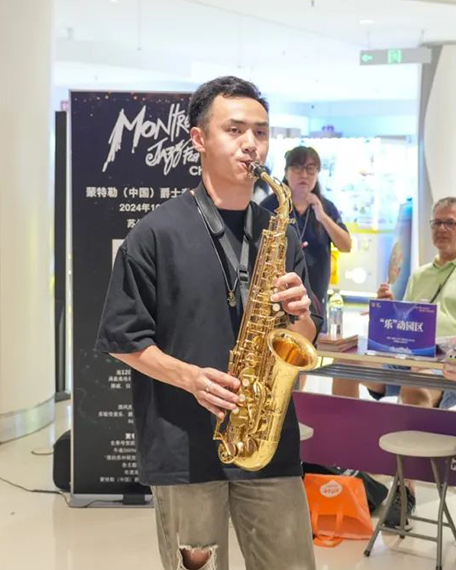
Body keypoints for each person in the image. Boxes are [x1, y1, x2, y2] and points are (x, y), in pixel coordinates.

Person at [95, 76, 322, 570]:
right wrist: (191, 378)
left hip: (267, 443)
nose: (251, 144)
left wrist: (302, 315)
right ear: (199, 138)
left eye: (261, 132)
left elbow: (304, 338)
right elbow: (123, 339)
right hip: (185, 447)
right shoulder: (154, 233)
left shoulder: (279, 232)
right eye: (235, 130)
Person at [362, 197, 456, 409]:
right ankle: (339, 427)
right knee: (348, 365)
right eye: (436, 223)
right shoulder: (419, 275)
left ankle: (415, 429)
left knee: (415, 385)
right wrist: (389, 308)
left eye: (450, 223)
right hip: (412, 355)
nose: (442, 228)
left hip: (451, 360)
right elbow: (405, 326)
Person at [260, 145, 351, 310]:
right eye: (297, 167)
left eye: (310, 169)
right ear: (286, 172)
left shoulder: (326, 207)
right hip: (277, 295)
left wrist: (323, 217)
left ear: (317, 173)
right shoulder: (270, 205)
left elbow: (346, 246)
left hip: (316, 296)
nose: (304, 175)